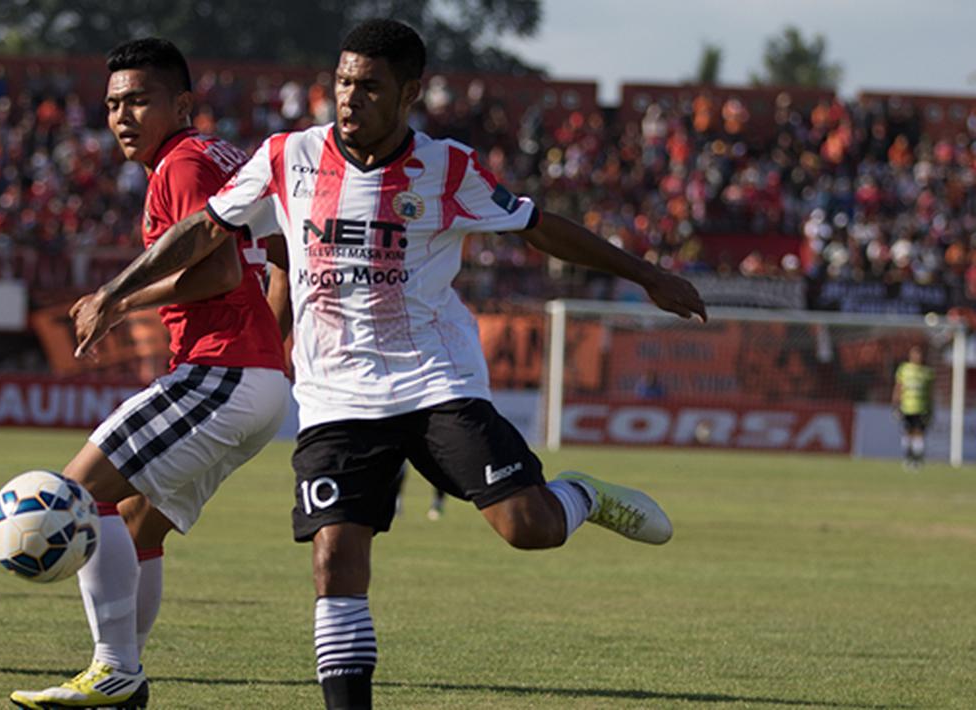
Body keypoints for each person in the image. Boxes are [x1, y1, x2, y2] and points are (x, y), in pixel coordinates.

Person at [71, 20, 707, 710]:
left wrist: (645, 274)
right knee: (334, 558)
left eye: (369, 86)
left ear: (409, 94)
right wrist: (115, 290)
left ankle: (581, 495)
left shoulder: (448, 168)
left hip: (437, 383)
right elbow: (205, 230)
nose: (350, 98)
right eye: (343, 82)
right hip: (335, 399)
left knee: (528, 529)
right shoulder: (287, 155)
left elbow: (541, 227)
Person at [9, 39, 290, 709]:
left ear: (182, 104)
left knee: (76, 495)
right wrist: (271, 350)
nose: (122, 116)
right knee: (139, 524)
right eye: (112, 105)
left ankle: (115, 669)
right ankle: (122, 678)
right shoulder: (224, 156)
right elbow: (283, 255)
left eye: (138, 100)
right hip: (252, 378)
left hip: (221, 371)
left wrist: (117, 300)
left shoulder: (182, 164)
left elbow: (219, 270)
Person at [893, 345, 934, 471]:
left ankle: (917, 459)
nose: (917, 357)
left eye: (919, 354)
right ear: (910, 356)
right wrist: (895, 404)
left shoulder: (927, 372)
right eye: (915, 354)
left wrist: (931, 409)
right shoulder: (904, 369)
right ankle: (908, 457)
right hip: (907, 407)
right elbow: (898, 387)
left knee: (919, 433)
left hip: (921, 408)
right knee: (908, 433)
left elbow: (930, 393)